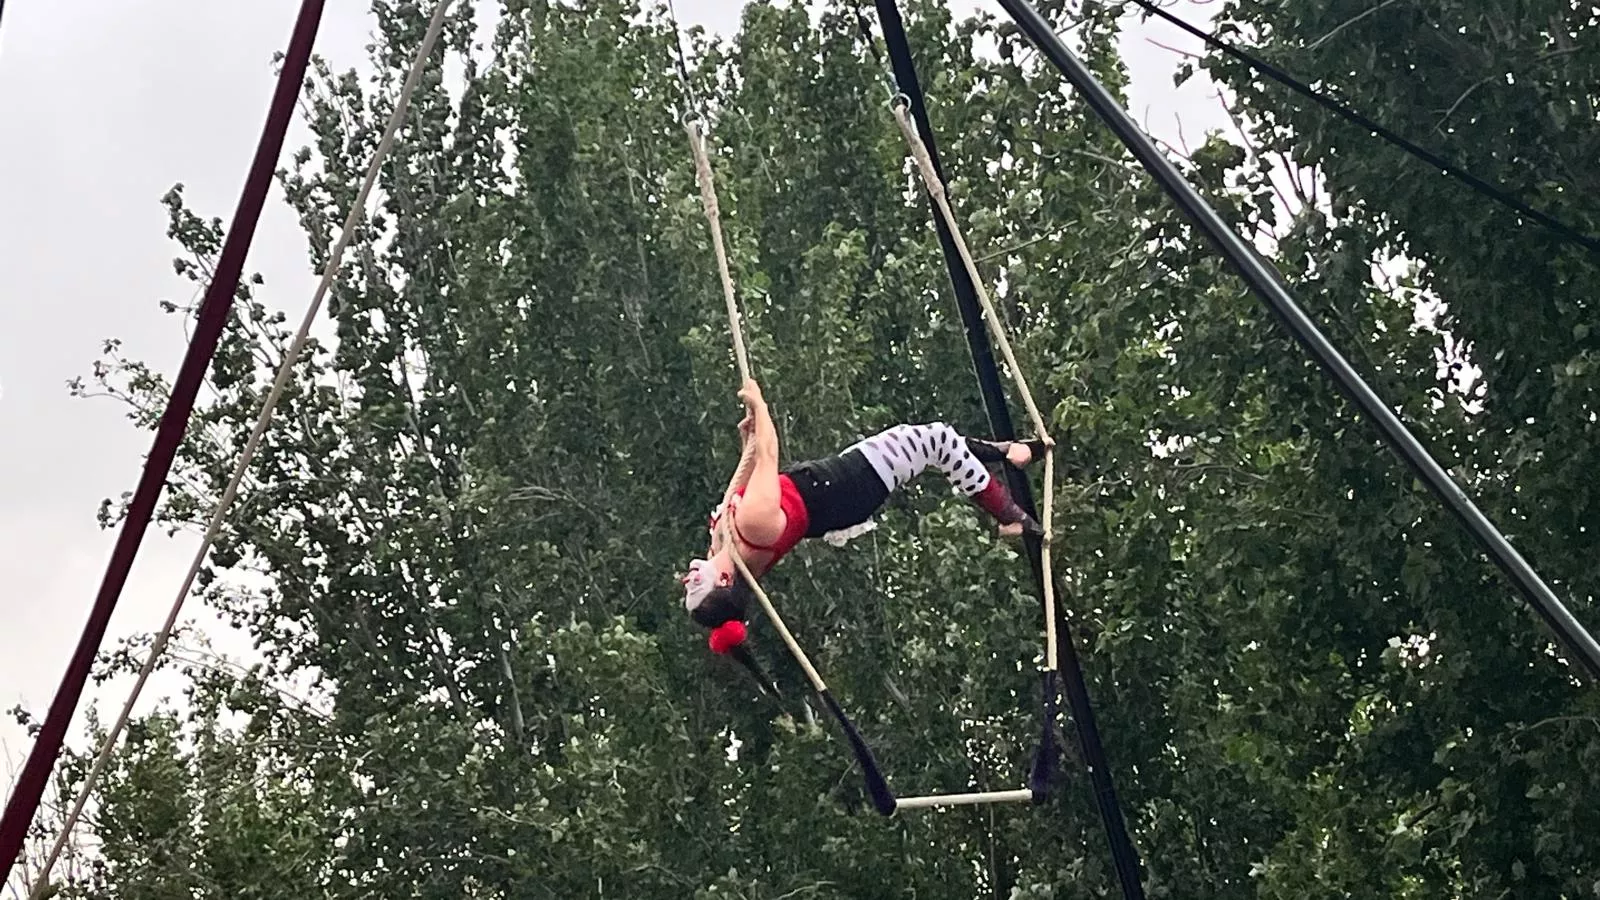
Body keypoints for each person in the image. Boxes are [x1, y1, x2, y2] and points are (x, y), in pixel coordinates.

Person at [682, 378, 1046, 665]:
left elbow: (747, 477)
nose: (687, 580)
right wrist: (760, 407)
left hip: (834, 484)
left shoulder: (723, 544)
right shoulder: (752, 527)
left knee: (925, 442)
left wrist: (747, 439)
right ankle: (1011, 516)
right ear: (725, 580)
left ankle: (1010, 453)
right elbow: (769, 454)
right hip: (848, 489)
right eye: (695, 587)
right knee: (934, 440)